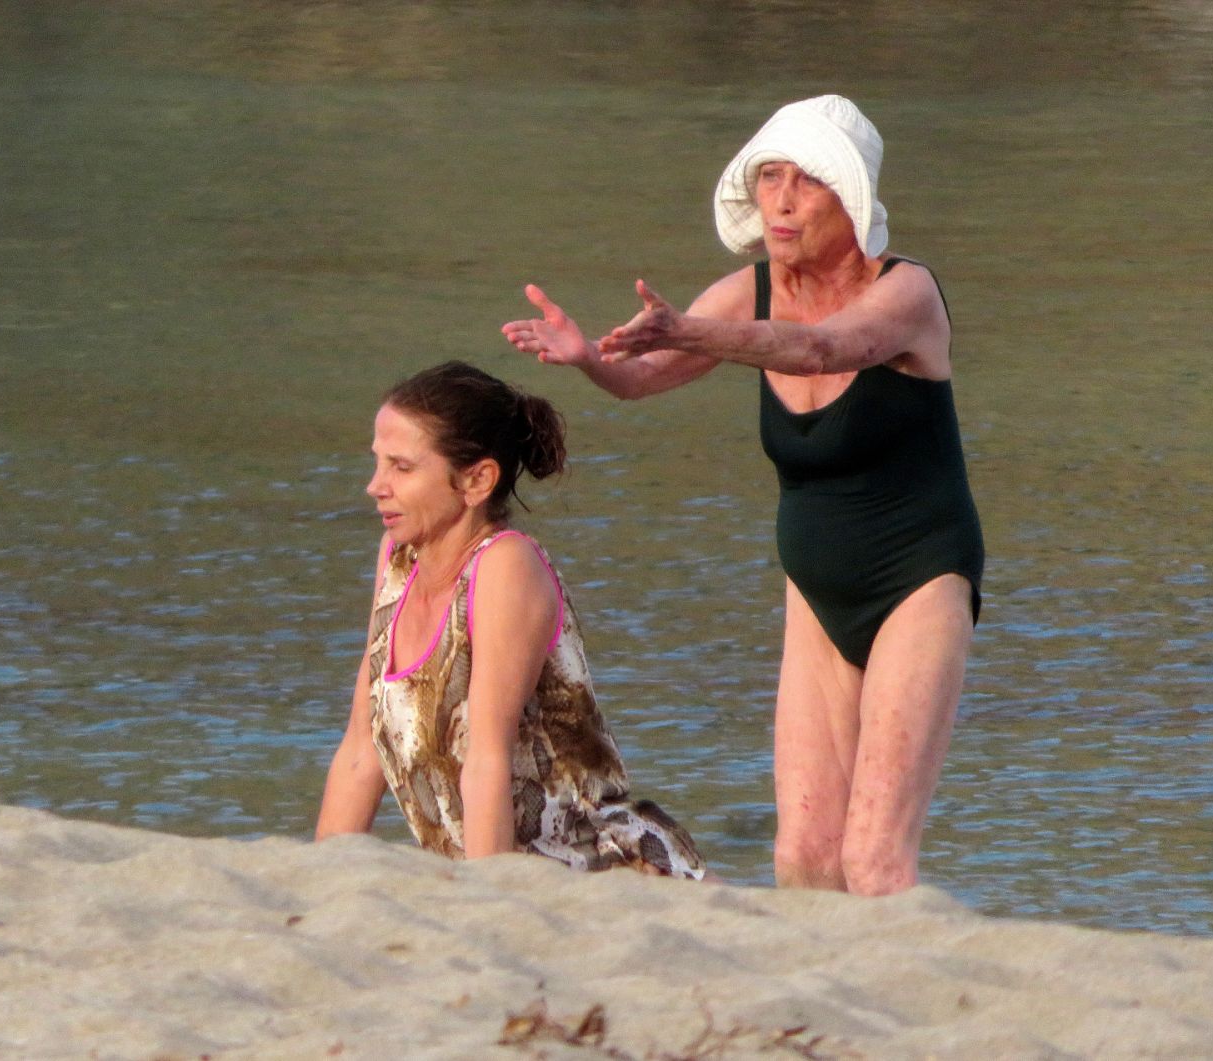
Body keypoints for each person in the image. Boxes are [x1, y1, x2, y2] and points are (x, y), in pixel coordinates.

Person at [501, 95, 982, 896]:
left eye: (808, 182)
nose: (784, 200)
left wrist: (690, 331)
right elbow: (638, 376)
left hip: (919, 579)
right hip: (815, 596)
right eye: (770, 178)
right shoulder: (747, 293)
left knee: (872, 859)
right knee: (804, 858)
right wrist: (589, 357)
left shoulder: (908, 293)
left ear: (851, 199)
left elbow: (823, 346)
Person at [314, 360, 707, 881]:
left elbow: (487, 759)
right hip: (492, 876)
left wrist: (489, 908)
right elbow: (361, 753)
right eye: (378, 462)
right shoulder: (397, 559)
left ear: (477, 480)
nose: (375, 486)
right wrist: (314, 886)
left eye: (401, 468)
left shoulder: (504, 565)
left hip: (601, 875)